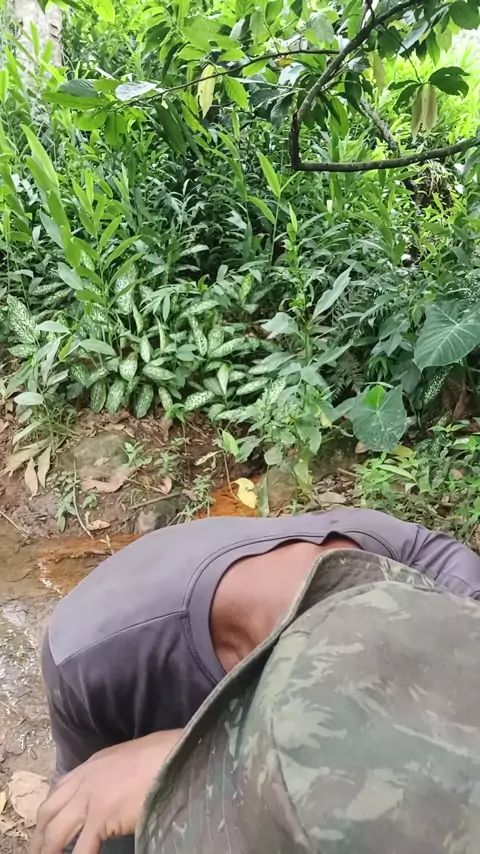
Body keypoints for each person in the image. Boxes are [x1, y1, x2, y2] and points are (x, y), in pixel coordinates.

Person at [34, 510, 480, 854]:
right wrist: (194, 761)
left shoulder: (452, 614)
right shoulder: (91, 664)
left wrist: (194, 752)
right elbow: (79, 807)